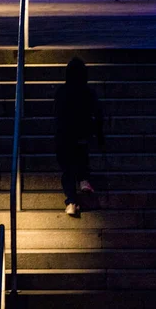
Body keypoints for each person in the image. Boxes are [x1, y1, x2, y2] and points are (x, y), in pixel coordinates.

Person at [54, 57, 104, 216]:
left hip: (65, 135)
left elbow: (57, 114)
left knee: (68, 169)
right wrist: (99, 134)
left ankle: (71, 201)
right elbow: (98, 114)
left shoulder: (61, 92)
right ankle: (83, 179)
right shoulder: (88, 92)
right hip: (83, 132)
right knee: (81, 157)